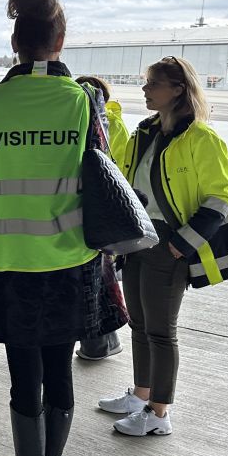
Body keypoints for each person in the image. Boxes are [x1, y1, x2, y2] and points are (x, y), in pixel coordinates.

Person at [0, 0, 126, 456]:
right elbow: (101, 176)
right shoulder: (82, 101)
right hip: (66, 260)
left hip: (4, 260)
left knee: (22, 375)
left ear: (14, 39)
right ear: (60, 39)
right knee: (60, 370)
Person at [98, 56, 228, 437]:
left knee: (161, 331)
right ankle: (141, 395)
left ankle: (159, 413)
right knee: (139, 323)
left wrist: (182, 245)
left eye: (153, 84)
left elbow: (221, 196)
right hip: (139, 238)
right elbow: (122, 169)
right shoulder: (147, 130)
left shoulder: (202, 138)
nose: (146, 90)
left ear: (178, 89)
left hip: (170, 243)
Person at [74, 74, 128, 362]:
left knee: (95, 281)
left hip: (98, 211)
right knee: (101, 280)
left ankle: (97, 343)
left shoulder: (104, 125)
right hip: (100, 212)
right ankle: (104, 341)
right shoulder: (110, 123)